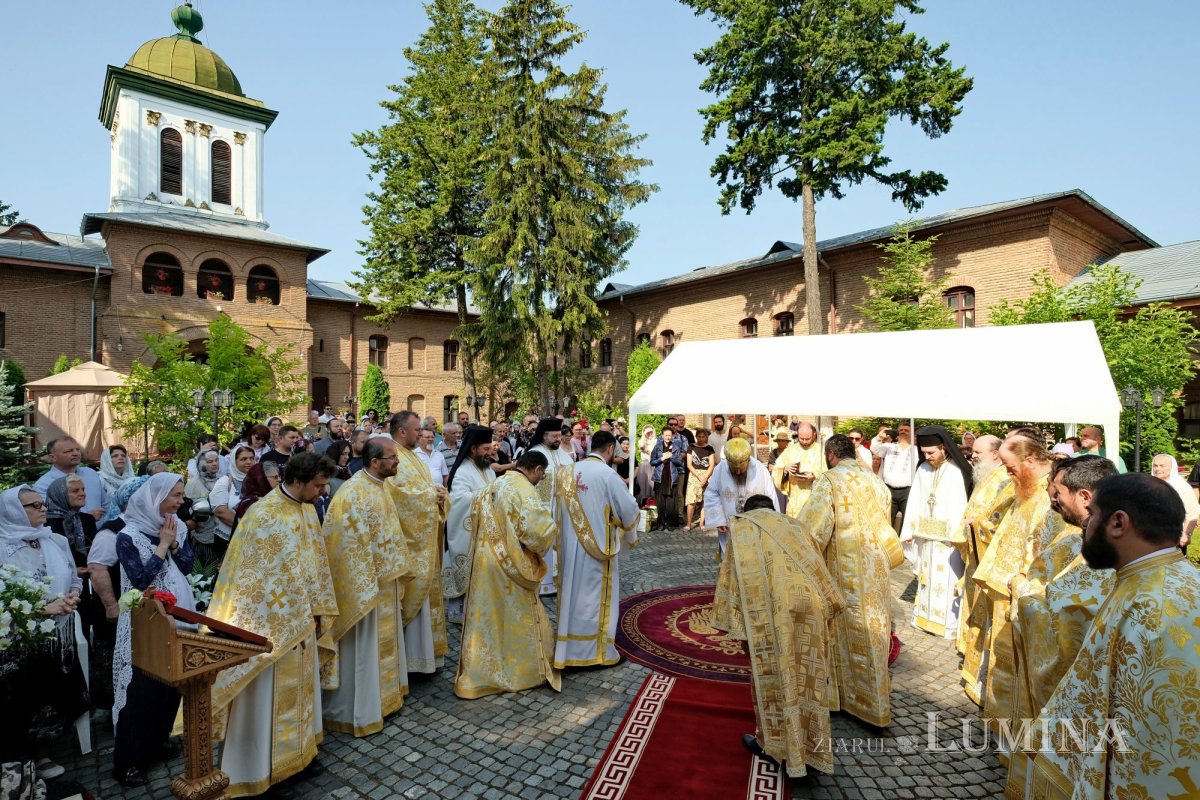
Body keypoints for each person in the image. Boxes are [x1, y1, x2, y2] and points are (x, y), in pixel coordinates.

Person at [1023, 474, 1200, 799]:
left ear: (1118, 523)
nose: (1084, 525)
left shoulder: (1146, 605)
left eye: (1093, 516)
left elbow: (1149, 746)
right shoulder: (1175, 577)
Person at [209, 453, 339, 797]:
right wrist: (286, 617)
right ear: (299, 480)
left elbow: (315, 563)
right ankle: (261, 767)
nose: (324, 491)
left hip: (302, 624)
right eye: (319, 484)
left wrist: (314, 609)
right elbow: (252, 581)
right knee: (266, 699)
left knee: (302, 692)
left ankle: (299, 756)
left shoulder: (307, 509)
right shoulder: (264, 516)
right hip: (271, 629)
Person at [1004, 455, 1117, 798]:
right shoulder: (1079, 540)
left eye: (1059, 491)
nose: (1052, 498)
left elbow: (1067, 618)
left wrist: (1022, 592)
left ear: (1085, 497)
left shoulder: (1098, 549)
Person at [722, 494, 845, 777]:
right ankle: (811, 749)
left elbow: (731, 585)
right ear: (772, 511)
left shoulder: (742, 528)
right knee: (808, 677)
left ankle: (774, 746)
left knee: (777, 677)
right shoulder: (796, 526)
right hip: (810, 608)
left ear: (749, 512)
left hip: (772, 612)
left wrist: (740, 631)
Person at [794, 434, 897, 727]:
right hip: (876, 571)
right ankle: (875, 701)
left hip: (845, 571)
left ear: (830, 455)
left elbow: (813, 530)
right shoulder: (876, 482)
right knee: (874, 631)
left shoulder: (829, 481)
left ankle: (847, 699)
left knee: (847, 631)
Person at [110, 473, 196, 788]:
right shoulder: (128, 536)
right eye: (175, 495)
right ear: (155, 497)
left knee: (170, 685)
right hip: (144, 626)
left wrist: (174, 543)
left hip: (178, 618)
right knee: (141, 692)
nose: (180, 501)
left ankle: (157, 742)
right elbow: (141, 581)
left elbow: (187, 567)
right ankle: (128, 761)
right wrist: (161, 546)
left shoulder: (177, 526)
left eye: (182, 494)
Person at [320, 438, 410, 736]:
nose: (398, 462)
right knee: (362, 650)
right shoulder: (352, 494)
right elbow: (342, 547)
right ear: (374, 461)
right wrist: (369, 578)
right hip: (365, 589)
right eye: (392, 457)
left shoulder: (378, 486)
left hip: (385, 583)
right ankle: (358, 712)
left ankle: (384, 700)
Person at [454, 451, 561, 698]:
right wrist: (552, 532)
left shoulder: (496, 482)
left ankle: (483, 671)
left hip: (485, 562)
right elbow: (537, 531)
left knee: (489, 617)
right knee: (516, 617)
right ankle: (520, 671)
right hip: (511, 566)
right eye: (542, 474)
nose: (541, 478)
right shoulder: (524, 490)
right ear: (535, 469)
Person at [0, 486, 88, 778]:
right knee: (21, 695)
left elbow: (74, 578)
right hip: (16, 640)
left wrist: (73, 596)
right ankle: (19, 758)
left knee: (53, 693)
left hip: (58, 634)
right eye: (33, 505)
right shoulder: (2, 546)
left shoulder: (56, 540)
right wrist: (40, 609)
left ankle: (44, 751)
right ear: (14, 511)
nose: (42, 508)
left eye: (42, 503)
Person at [971, 432, 1054, 739]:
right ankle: (1003, 727)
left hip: (1026, 593)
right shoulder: (1026, 487)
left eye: (1009, 465)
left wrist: (1022, 584)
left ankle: (1016, 735)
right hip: (1005, 587)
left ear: (1029, 461)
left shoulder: (1048, 495)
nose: (1006, 472)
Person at [554, 431, 640, 669]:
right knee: (594, 600)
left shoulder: (567, 471)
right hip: (597, 550)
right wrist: (629, 534)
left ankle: (567, 649)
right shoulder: (608, 475)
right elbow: (628, 508)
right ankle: (596, 653)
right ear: (611, 449)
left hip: (569, 549)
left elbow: (555, 510)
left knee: (572, 596)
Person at [953, 433, 1013, 706]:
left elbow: (997, 522)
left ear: (996, 454)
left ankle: (980, 673)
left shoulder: (1004, 479)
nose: (973, 455)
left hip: (988, 560)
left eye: (978, 452)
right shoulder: (988, 475)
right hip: (977, 557)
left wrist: (975, 525)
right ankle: (971, 660)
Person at [388, 410, 449, 674]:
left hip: (424, 540)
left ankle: (428, 655)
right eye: (417, 430)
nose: (423, 435)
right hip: (409, 542)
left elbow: (423, 488)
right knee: (415, 599)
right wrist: (429, 497)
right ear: (403, 432)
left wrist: (439, 494)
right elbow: (398, 494)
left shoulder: (411, 455)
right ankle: (412, 661)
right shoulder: (392, 456)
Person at [899, 425, 971, 637]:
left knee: (947, 582)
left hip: (947, 542)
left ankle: (948, 624)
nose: (927, 457)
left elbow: (959, 505)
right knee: (925, 580)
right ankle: (923, 618)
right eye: (924, 453)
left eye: (931, 453)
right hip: (925, 537)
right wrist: (910, 530)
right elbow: (914, 501)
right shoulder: (923, 469)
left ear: (944, 448)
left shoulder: (956, 472)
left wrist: (955, 535)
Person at [443, 425, 495, 624]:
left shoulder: (487, 469)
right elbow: (458, 500)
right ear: (473, 449)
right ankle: (459, 612)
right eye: (486, 449)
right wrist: (489, 494)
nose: (490, 452)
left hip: (486, 533)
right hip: (468, 533)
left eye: (490, 448)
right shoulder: (462, 471)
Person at [703, 437, 778, 555]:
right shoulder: (720, 469)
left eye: (741, 469)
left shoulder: (760, 469)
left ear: (748, 460)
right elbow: (711, 493)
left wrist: (771, 522)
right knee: (731, 558)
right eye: (734, 469)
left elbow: (771, 496)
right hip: (729, 525)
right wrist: (719, 520)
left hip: (756, 525)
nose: (738, 472)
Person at [528, 418, 575, 596]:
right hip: (543, 509)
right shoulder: (535, 453)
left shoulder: (562, 453)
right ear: (544, 436)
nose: (558, 439)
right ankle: (543, 582)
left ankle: (557, 581)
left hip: (561, 509)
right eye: (554, 436)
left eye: (559, 436)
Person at [34, 437, 107, 517]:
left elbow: (106, 503)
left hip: (103, 528)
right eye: (69, 451)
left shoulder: (90, 473)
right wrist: (86, 519)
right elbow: (48, 515)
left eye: (77, 449)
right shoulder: (44, 484)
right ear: (53, 457)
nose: (76, 453)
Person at [773, 421, 826, 518]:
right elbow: (776, 470)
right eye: (802, 438)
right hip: (795, 502)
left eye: (808, 438)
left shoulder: (822, 451)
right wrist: (785, 470)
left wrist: (815, 476)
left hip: (815, 500)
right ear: (797, 434)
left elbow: (829, 473)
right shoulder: (790, 450)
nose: (805, 441)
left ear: (814, 435)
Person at [1151, 453, 1200, 548]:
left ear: (1172, 467)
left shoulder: (1182, 487)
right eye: (1155, 465)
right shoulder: (1147, 484)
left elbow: (1192, 513)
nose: (1158, 469)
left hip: (1173, 537)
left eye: (1162, 466)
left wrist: (1186, 535)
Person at [210, 443, 256, 546]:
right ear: (234, 462)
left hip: (254, 541)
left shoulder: (258, 481)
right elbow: (220, 511)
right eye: (243, 459)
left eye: (251, 458)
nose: (249, 462)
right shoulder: (225, 481)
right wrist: (247, 529)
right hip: (229, 540)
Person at [184, 449, 223, 564]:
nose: (214, 463)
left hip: (223, 534)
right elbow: (188, 512)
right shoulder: (193, 484)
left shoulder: (222, 480)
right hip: (203, 538)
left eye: (216, 460)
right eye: (210, 461)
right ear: (201, 464)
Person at [872, 423, 915, 526]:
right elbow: (875, 448)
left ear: (912, 434)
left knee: (908, 522)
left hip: (908, 491)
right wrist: (880, 436)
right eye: (901, 430)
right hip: (889, 489)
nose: (903, 432)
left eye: (906, 430)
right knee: (886, 521)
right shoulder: (888, 447)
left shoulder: (916, 450)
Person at [649, 426, 684, 530]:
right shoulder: (657, 447)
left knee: (670, 503)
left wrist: (671, 457)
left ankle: (670, 524)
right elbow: (652, 462)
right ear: (662, 436)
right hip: (660, 477)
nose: (668, 437)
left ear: (672, 436)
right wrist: (662, 458)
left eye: (669, 435)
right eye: (666, 435)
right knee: (660, 503)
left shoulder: (676, 447)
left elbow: (680, 463)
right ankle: (660, 523)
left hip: (671, 478)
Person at [684, 427, 715, 531]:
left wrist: (705, 478)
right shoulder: (691, 447)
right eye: (699, 436)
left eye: (703, 436)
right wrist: (699, 476)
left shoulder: (709, 449)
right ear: (696, 437)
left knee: (704, 501)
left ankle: (702, 523)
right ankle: (688, 523)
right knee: (691, 501)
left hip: (706, 475)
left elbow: (712, 465)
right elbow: (689, 464)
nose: (701, 439)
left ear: (706, 437)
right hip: (694, 475)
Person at [635, 425, 656, 503]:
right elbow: (641, 446)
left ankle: (652, 502)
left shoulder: (655, 441)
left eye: (651, 432)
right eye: (648, 432)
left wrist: (648, 451)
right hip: (644, 464)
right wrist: (644, 435)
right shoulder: (641, 441)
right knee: (643, 483)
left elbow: (654, 454)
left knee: (652, 484)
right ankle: (642, 503)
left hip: (653, 465)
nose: (650, 434)